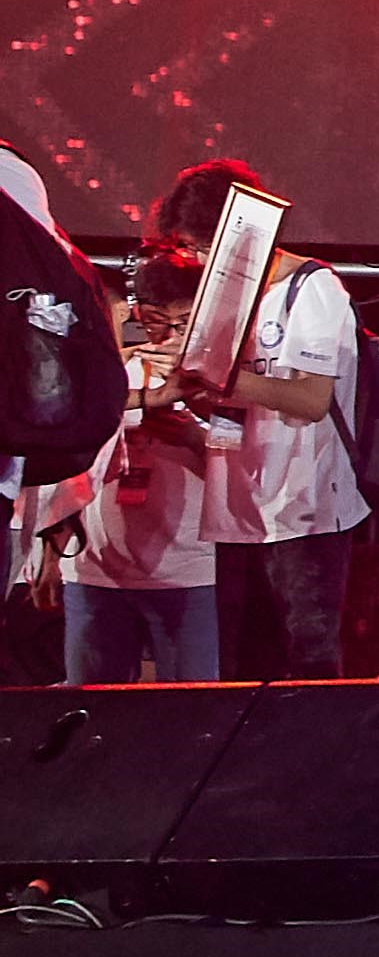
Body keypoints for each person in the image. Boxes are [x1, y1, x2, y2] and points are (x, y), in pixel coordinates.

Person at [152, 161, 361, 687]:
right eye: (192, 249)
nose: (200, 260)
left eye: (203, 245)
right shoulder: (221, 298)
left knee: (308, 669)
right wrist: (186, 397)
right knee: (242, 675)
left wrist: (216, 375)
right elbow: (229, 404)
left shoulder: (312, 288)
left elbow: (311, 400)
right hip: (236, 507)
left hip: (304, 510)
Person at [38, 260, 237, 684]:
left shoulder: (226, 384)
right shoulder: (114, 374)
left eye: (183, 322)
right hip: (96, 570)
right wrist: (51, 554)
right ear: (138, 314)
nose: (170, 335)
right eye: (156, 321)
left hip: (188, 572)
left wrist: (193, 439)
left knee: (190, 708)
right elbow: (64, 466)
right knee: (92, 704)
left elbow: (250, 477)